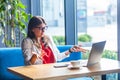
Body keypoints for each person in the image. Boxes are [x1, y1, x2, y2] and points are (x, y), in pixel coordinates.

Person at [21, 16, 86, 65]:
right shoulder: (27, 42)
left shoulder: (48, 38)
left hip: (53, 72)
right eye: (40, 28)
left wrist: (70, 50)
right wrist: (35, 56)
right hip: (38, 74)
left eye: (45, 28)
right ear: (32, 29)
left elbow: (57, 57)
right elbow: (28, 64)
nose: (44, 30)